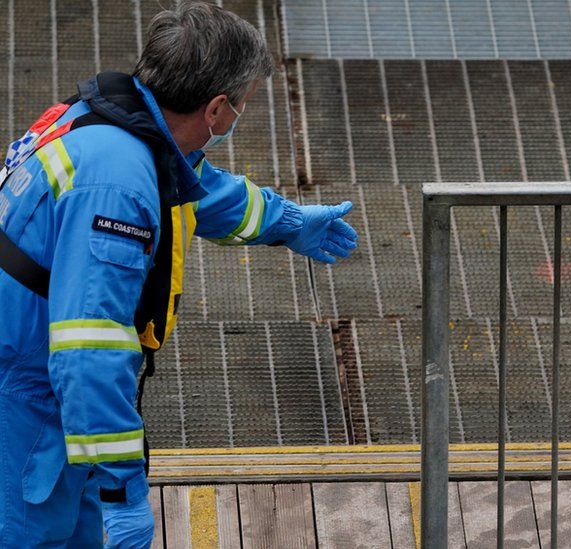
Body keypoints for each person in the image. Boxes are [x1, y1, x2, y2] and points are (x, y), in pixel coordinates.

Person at [0, 2, 357, 546]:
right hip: (28, 409)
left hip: (44, 389)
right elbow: (89, 348)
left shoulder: (107, 119)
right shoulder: (117, 187)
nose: (236, 120)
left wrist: (284, 221)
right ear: (216, 109)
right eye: (241, 108)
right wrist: (123, 492)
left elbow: (192, 188)